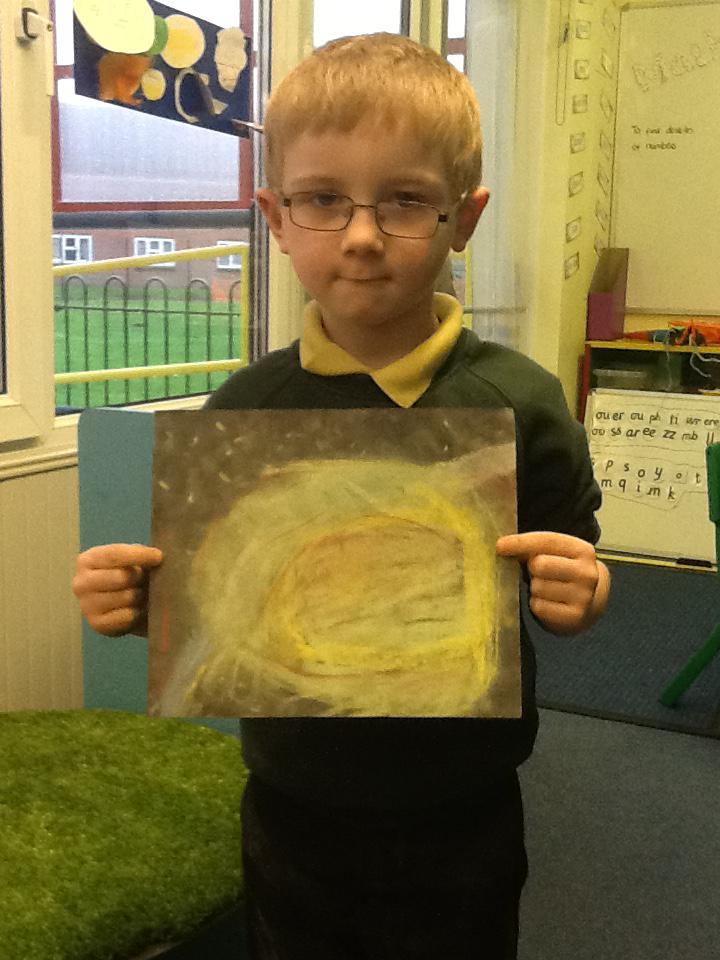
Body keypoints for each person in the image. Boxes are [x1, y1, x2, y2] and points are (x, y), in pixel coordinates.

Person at [73, 33, 610, 960]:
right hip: (295, 805)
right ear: (275, 218)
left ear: (463, 218)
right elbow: (213, 603)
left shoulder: (521, 403)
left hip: (464, 809)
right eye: (323, 199)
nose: (362, 236)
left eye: (404, 200)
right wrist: (135, 605)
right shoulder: (244, 412)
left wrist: (582, 591)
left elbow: (572, 558)